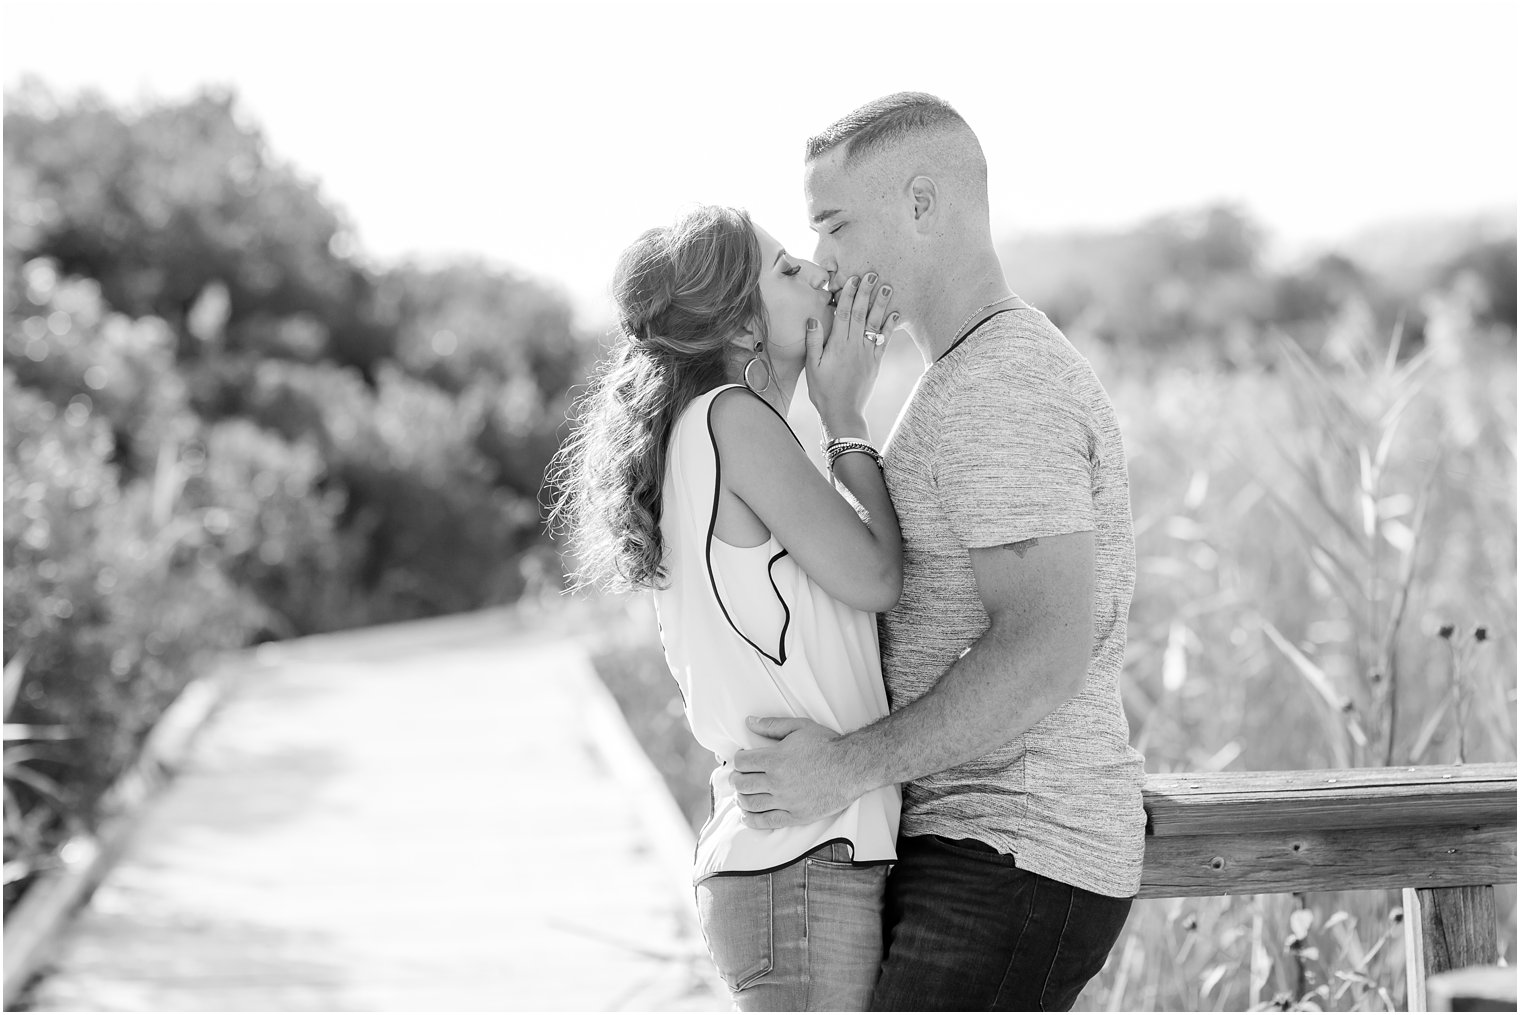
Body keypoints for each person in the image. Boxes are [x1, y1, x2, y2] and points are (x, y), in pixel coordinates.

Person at [730, 93, 1147, 1012]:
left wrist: (841, 767)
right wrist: (844, 418)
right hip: (979, 848)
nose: (825, 259)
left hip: (1017, 853)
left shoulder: (1001, 386)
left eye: (834, 224)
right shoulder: (959, 376)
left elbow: (1041, 653)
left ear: (922, 204)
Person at [549, 205, 907, 1011]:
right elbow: (880, 576)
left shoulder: (701, 432)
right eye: (786, 269)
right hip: (801, 865)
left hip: (793, 862)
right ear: (742, 330)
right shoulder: (733, 421)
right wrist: (847, 419)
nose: (818, 271)